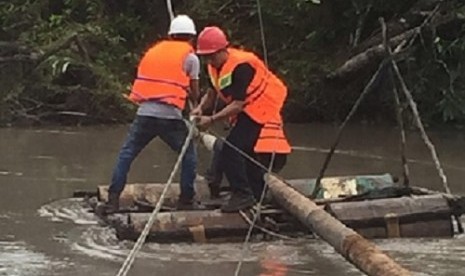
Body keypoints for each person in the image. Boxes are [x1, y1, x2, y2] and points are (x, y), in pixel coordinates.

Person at [101, 15, 201, 213]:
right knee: (188, 155)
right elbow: (195, 92)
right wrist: (192, 98)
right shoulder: (191, 58)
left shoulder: (152, 52)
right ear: (192, 38)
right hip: (170, 116)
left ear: (170, 35)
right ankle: (186, 200)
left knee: (126, 154)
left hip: (145, 113)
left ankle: (113, 200)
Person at [192, 26, 291, 212]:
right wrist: (200, 108)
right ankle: (257, 192)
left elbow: (238, 104)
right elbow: (212, 92)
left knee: (230, 150)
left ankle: (243, 194)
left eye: (212, 56)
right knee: (246, 151)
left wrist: (211, 119)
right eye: (206, 57)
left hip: (262, 105)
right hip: (247, 107)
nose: (209, 60)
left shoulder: (241, 66)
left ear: (223, 50)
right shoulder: (213, 66)